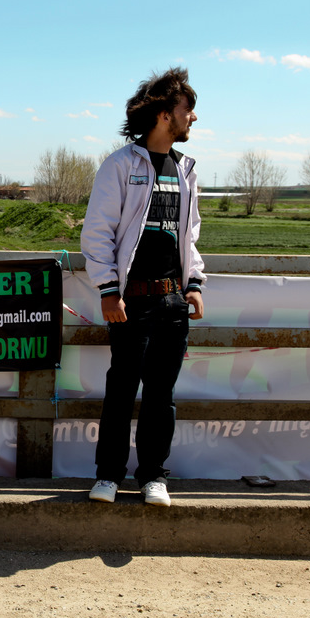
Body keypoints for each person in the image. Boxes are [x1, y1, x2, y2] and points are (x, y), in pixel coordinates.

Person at [80, 67, 206, 507]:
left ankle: (153, 475)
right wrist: (108, 290)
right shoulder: (120, 165)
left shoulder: (186, 169)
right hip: (129, 302)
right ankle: (108, 476)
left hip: (173, 301)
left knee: (160, 395)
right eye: (187, 110)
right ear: (164, 114)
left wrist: (193, 284)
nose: (193, 118)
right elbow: (98, 232)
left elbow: (188, 234)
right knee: (121, 389)